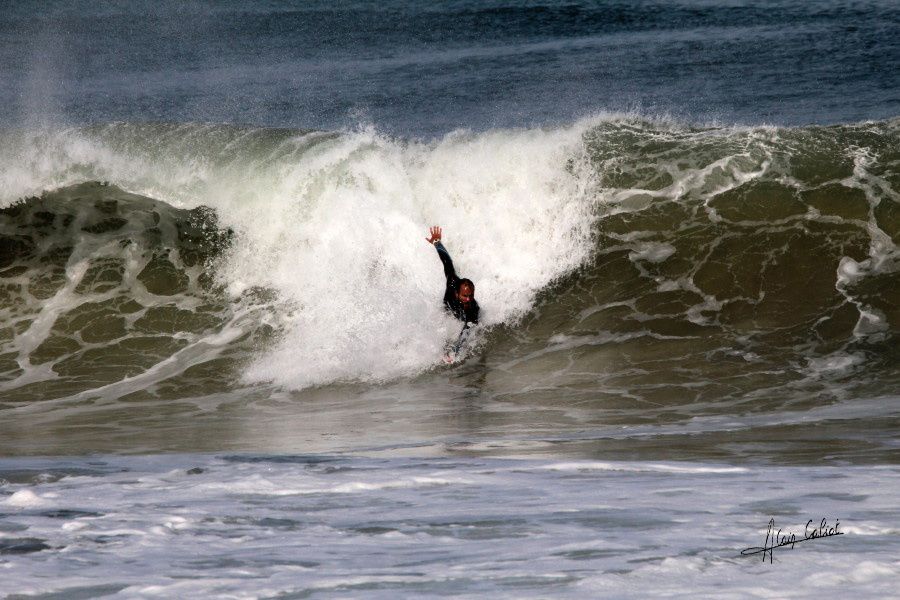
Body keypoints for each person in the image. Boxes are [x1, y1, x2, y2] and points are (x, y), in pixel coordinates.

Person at [425, 226, 479, 325]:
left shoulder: (473, 308)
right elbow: (447, 262)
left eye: (471, 295)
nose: (468, 299)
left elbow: (467, 332)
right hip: (447, 308)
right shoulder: (452, 282)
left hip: (463, 317)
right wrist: (437, 243)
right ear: (457, 293)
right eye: (465, 295)